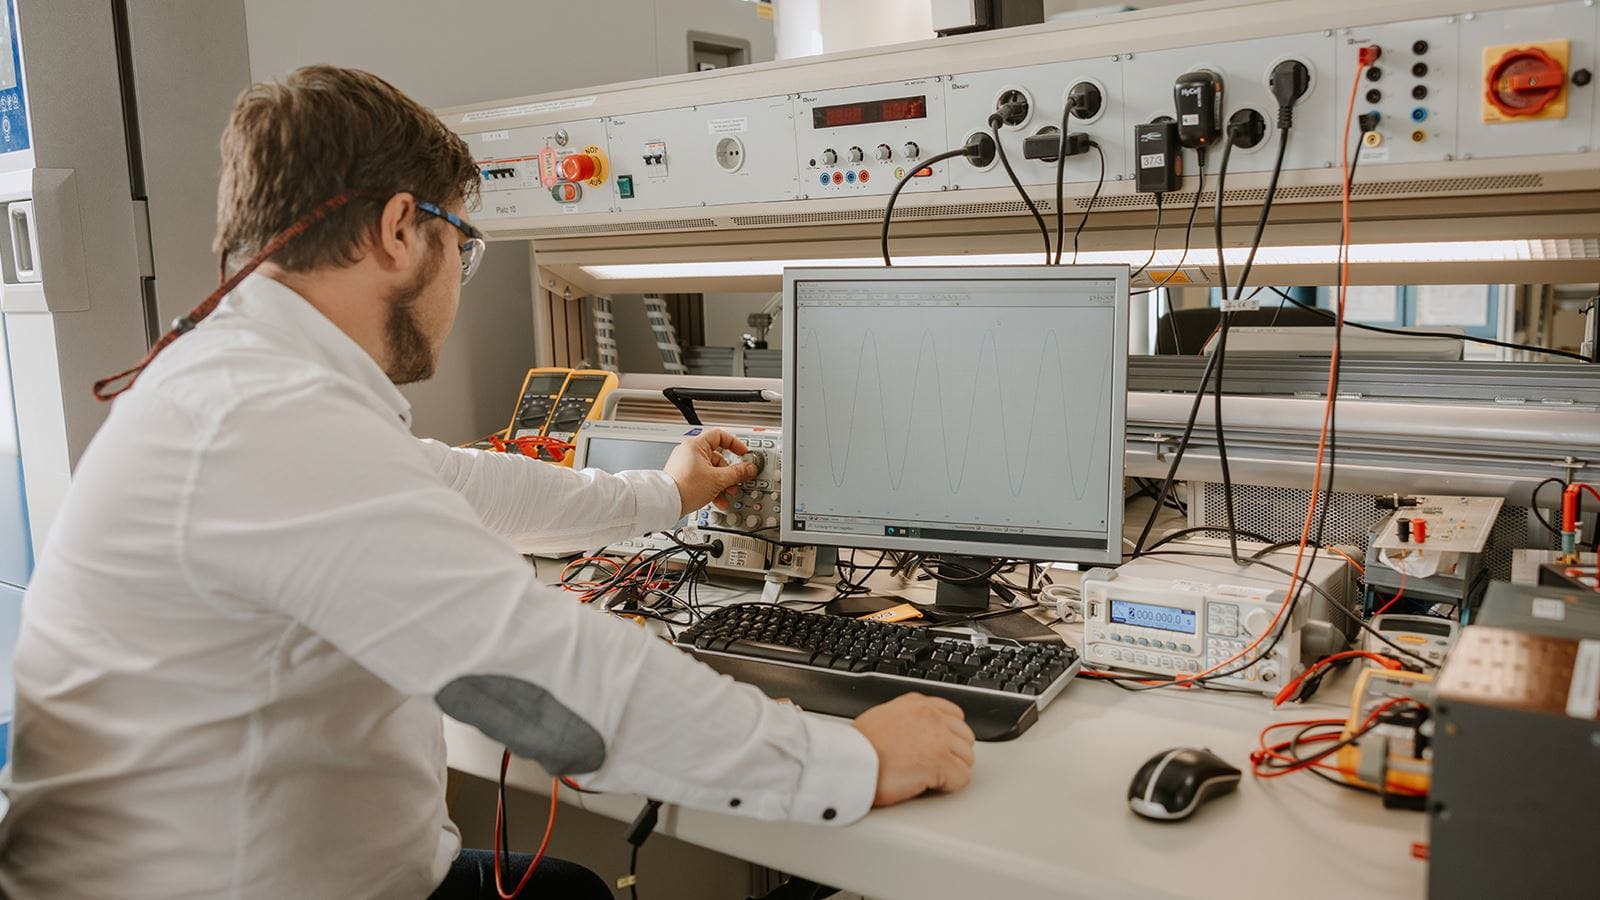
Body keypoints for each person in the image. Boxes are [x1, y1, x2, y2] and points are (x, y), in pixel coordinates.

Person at [0, 66, 975, 899]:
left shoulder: (242, 388)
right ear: (396, 230)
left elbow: (454, 486)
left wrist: (659, 497)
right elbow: (538, 679)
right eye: (461, 246)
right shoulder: (259, 420)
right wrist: (851, 760)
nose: (460, 279)